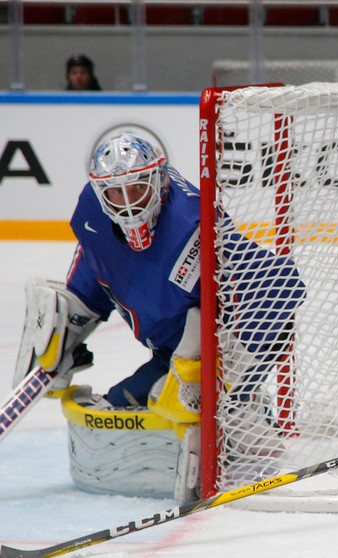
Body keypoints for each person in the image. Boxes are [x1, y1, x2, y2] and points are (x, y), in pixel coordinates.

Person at [14, 133, 305, 501]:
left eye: (137, 188)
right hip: (168, 352)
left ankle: (244, 410)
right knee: (117, 408)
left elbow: (280, 286)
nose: (127, 203)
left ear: (159, 181)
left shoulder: (196, 225)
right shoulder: (92, 212)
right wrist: (69, 323)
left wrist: (224, 380)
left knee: (201, 421)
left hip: (206, 355)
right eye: (115, 193)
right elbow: (99, 264)